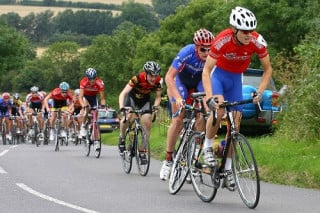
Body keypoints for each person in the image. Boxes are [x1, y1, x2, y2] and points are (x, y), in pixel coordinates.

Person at [202, 6, 273, 189]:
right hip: (219, 77)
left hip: (236, 80)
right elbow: (207, 70)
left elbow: (268, 70)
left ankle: (227, 170)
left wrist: (260, 91)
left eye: (251, 30)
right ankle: (208, 147)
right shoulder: (222, 39)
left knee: (236, 125)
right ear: (234, 30)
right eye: (245, 31)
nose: (249, 34)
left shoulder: (256, 41)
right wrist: (210, 97)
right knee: (219, 109)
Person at [159, 28, 214, 181]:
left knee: (203, 114)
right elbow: (169, 77)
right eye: (203, 49)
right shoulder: (186, 53)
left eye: (209, 49)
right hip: (181, 83)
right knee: (178, 119)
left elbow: (211, 79)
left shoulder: (211, 56)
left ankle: (194, 159)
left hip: (199, 84)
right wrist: (177, 98)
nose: (206, 52)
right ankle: (168, 160)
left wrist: (208, 102)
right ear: (196, 47)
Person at [118, 61, 162, 163]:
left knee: (147, 122)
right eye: (151, 75)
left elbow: (158, 97)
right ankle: (122, 137)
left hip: (144, 101)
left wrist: (155, 106)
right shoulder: (136, 78)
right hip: (132, 99)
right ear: (146, 73)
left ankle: (142, 150)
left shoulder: (158, 81)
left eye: (156, 76)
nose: (153, 78)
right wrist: (122, 107)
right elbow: (123, 93)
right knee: (127, 117)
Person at [79, 68, 106, 143]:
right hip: (85, 97)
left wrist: (103, 106)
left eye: (93, 79)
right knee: (87, 108)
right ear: (87, 78)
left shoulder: (100, 83)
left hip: (94, 98)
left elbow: (102, 98)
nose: (92, 81)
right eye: (90, 79)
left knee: (96, 117)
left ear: (96, 77)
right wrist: (83, 106)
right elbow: (80, 97)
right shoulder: (83, 82)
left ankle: (95, 136)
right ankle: (83, 126)